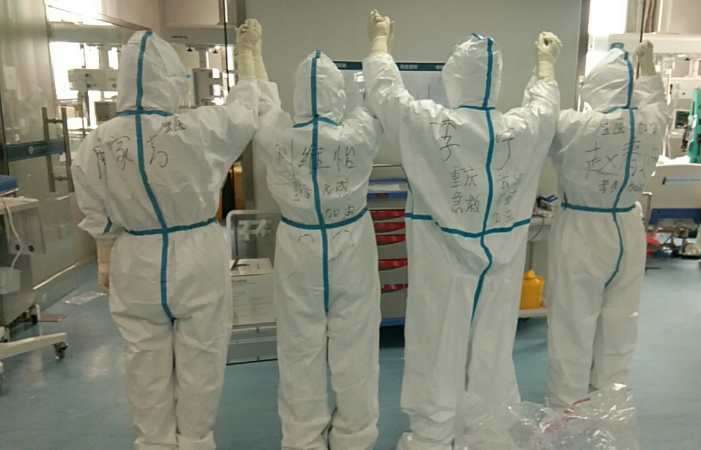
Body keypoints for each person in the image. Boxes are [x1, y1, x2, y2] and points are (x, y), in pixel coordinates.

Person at [73, 20, 276, 450]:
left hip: (135, 259)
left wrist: (106, 255)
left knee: (143, 365)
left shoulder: (96, 143)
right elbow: (247, 112)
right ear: (171, 80)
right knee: (202, 358)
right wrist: (246, 57)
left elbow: (96, 215)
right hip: (196, 254)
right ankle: (196, 440)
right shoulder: (199, 127)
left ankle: (155, 443)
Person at [363, 10, 561, 450]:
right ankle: (488, 433)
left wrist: (379, 45)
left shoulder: (432, 123)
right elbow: (545, 109)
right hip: (501, 261)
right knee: (492, 349)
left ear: (454, 77)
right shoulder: (520, 129)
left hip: (443, 261)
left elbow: (386, 94)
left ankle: (432, 436)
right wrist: (544, 68)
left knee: (437, 348)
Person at [254, 50, 382, 450]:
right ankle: (354, 438)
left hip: (299, 246)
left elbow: (261, 103)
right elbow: (377, 102)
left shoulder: (276, 134)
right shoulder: (358, 133)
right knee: (356, 344)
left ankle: (303, 438)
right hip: (352, 244)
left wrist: (252, 55)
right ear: (337, 94)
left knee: (299, 347)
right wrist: (380, 46)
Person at [546, 41, 669, 408]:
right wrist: (649, 72)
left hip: (583, 227)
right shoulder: (651, 123)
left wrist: (545, 69)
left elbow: (539, 122)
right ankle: (611, 402)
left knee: (572, 320)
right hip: (628, 226)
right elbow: (658, 103)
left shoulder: (575, 124)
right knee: (620, 321)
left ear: (596, 86)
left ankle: (568, 405)